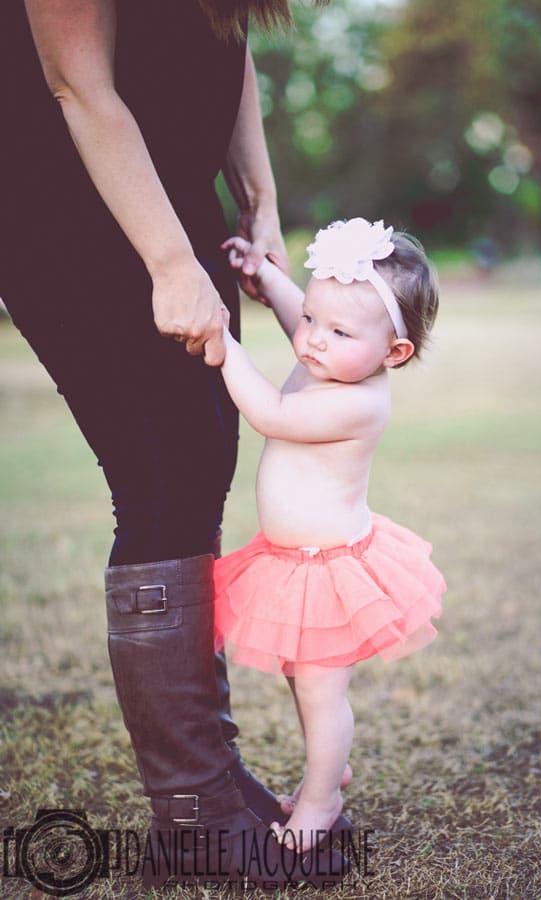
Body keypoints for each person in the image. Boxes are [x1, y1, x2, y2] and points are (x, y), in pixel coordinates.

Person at [1, 0, 345, 888]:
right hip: (65, 199)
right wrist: (168, 264)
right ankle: (191, 811)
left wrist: (261, 200)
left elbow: (225, 46)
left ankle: (212, 780)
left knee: (198, 460)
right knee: (158, 474)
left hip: (170, 193)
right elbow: (78, 82)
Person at [215, 217, 447, 852]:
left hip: (331, 571)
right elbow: (307, 315)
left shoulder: (360, 400)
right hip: (290, 562)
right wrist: (268, 277)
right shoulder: (331, 353)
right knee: (300, 676)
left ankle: (322, 798)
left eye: (338, 331)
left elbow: (271, 412)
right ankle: (327, 765)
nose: (311, 340)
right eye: (311, 319)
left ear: (392, 353)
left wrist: (223, 339)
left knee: (321, 692)